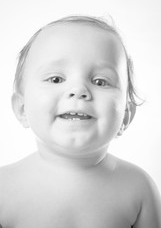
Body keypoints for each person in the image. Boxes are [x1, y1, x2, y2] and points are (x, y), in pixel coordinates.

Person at [0, 15, 160, 228]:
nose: (78, 90)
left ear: (126, 115)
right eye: (56, 79)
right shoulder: (4, 188)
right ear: (22, 108)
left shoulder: (139, 188)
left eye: (100, 81)